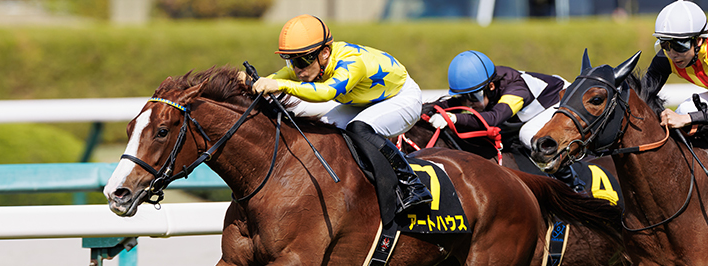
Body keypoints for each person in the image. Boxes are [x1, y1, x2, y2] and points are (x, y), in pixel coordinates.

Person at [242, 14, 432, 214]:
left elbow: (327, 92)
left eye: (303, 60)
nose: (298, 69)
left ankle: (413, 185)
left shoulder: (351, 62)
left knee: (359, 129)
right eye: (291, 61)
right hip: (367, 100)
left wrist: (280, 85)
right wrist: (247, 83)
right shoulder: (311, 63)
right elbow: (271, 80)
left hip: (401, 98)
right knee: (324, 129)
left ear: (325, 53)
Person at [427, 50, 566, 150]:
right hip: (533, 112)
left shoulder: (516, 90)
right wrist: (425, 110)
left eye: (473, 97)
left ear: (491, 86)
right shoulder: (484, 82)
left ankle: (572, 180)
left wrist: (454, 119)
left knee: (527, 133)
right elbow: (453, 103)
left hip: (562, 101)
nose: (469, 103)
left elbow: (493, 118)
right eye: (465, 96)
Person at [642, 0, 708, 132]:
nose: (672, 54)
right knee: (684, 110)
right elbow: (642, 95)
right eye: (665, 45)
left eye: (679, 45)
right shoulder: (667, 57)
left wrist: (687, 119)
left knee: (688, 116)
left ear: (698, 41)